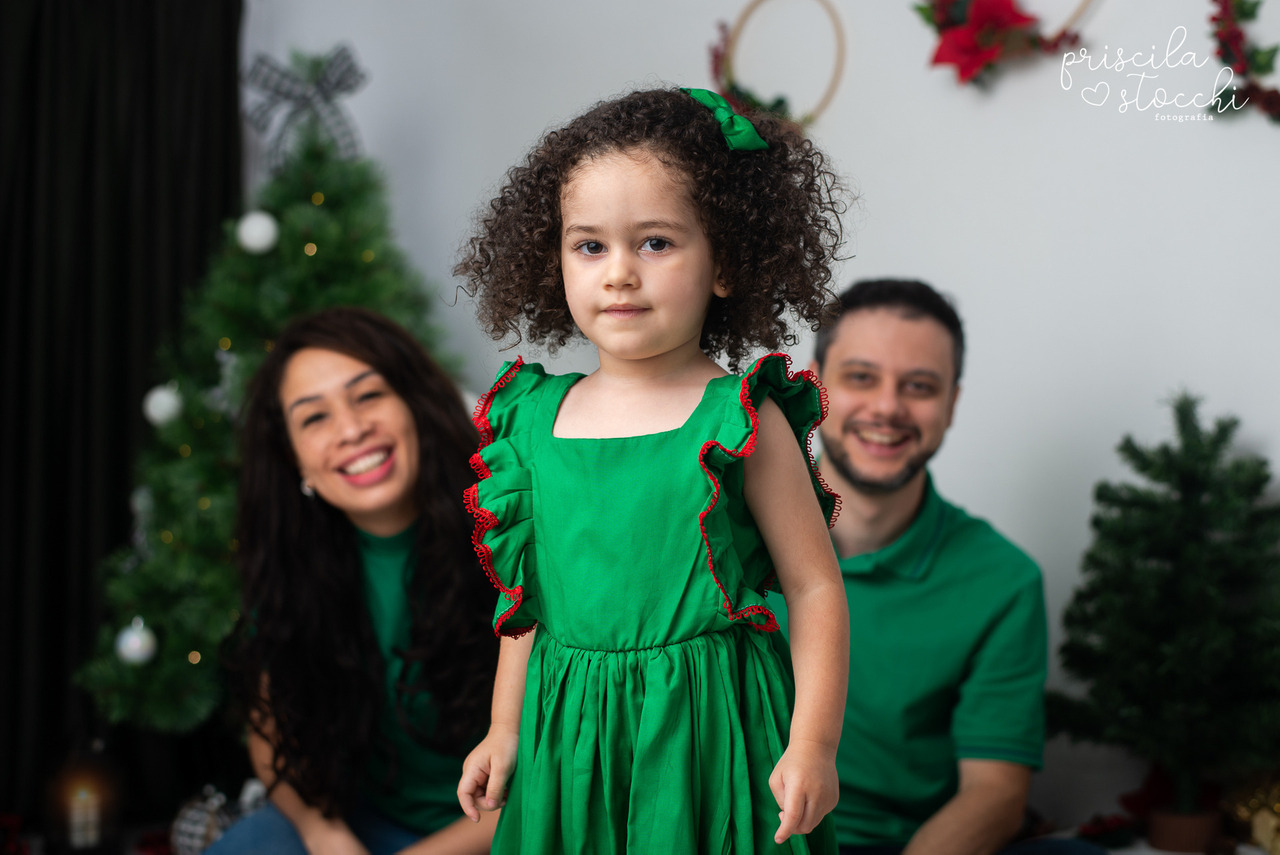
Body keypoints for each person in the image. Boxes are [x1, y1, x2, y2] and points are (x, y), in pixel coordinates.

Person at [452, 87, 851, 854]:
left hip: (714, 732)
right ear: (554, 258)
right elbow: (526, 602)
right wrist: (505, 729)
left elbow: (813, 585)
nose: (620, 274)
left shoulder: (741, 419)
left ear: (725, 262)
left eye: (656, 243)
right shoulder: (530, 421)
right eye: (590, 245)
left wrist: (814, 743)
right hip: (569, 738)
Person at [777, 279, 1102, 855]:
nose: (886, 407)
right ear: (815, 384)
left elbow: (995, 793)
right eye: (860, 377)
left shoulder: (1003, 580)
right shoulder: (720, 536)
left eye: (919, 386)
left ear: (952, 403)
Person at [210, 307, 500, 855]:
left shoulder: (509, 536)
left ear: (414, 404)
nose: (350, 429)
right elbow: (270, 726)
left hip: (513, 830)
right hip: (361, 825)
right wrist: (324, 834)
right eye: (313, 417)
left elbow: (562, 765)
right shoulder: (291, 563)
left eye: (368, 396)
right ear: (294, 458)